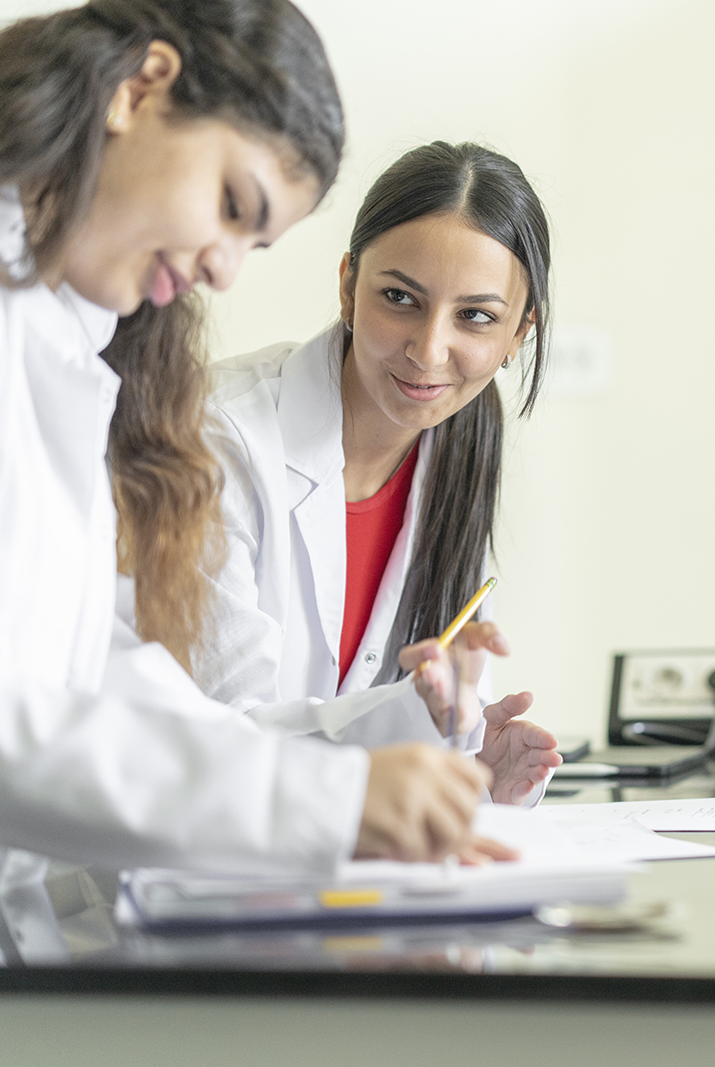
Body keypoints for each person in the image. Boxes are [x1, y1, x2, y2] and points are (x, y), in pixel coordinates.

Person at [0, 0, 506, 903]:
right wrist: (328, 800)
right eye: (232, 206)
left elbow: (96, 671)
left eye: (257, 241)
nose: (225, 270)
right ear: (141, 88)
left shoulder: (51, 338)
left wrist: (377, 769)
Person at [193, 142, 562, 805]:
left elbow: (424, 708)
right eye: (400, 298)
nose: (428, 349)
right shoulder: (219, 435)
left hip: (323, 868)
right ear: (347, 286)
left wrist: (474, 772)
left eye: (475, 316)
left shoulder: (463, 442)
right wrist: (412, 722)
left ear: (519, 333)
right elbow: (220, 743)